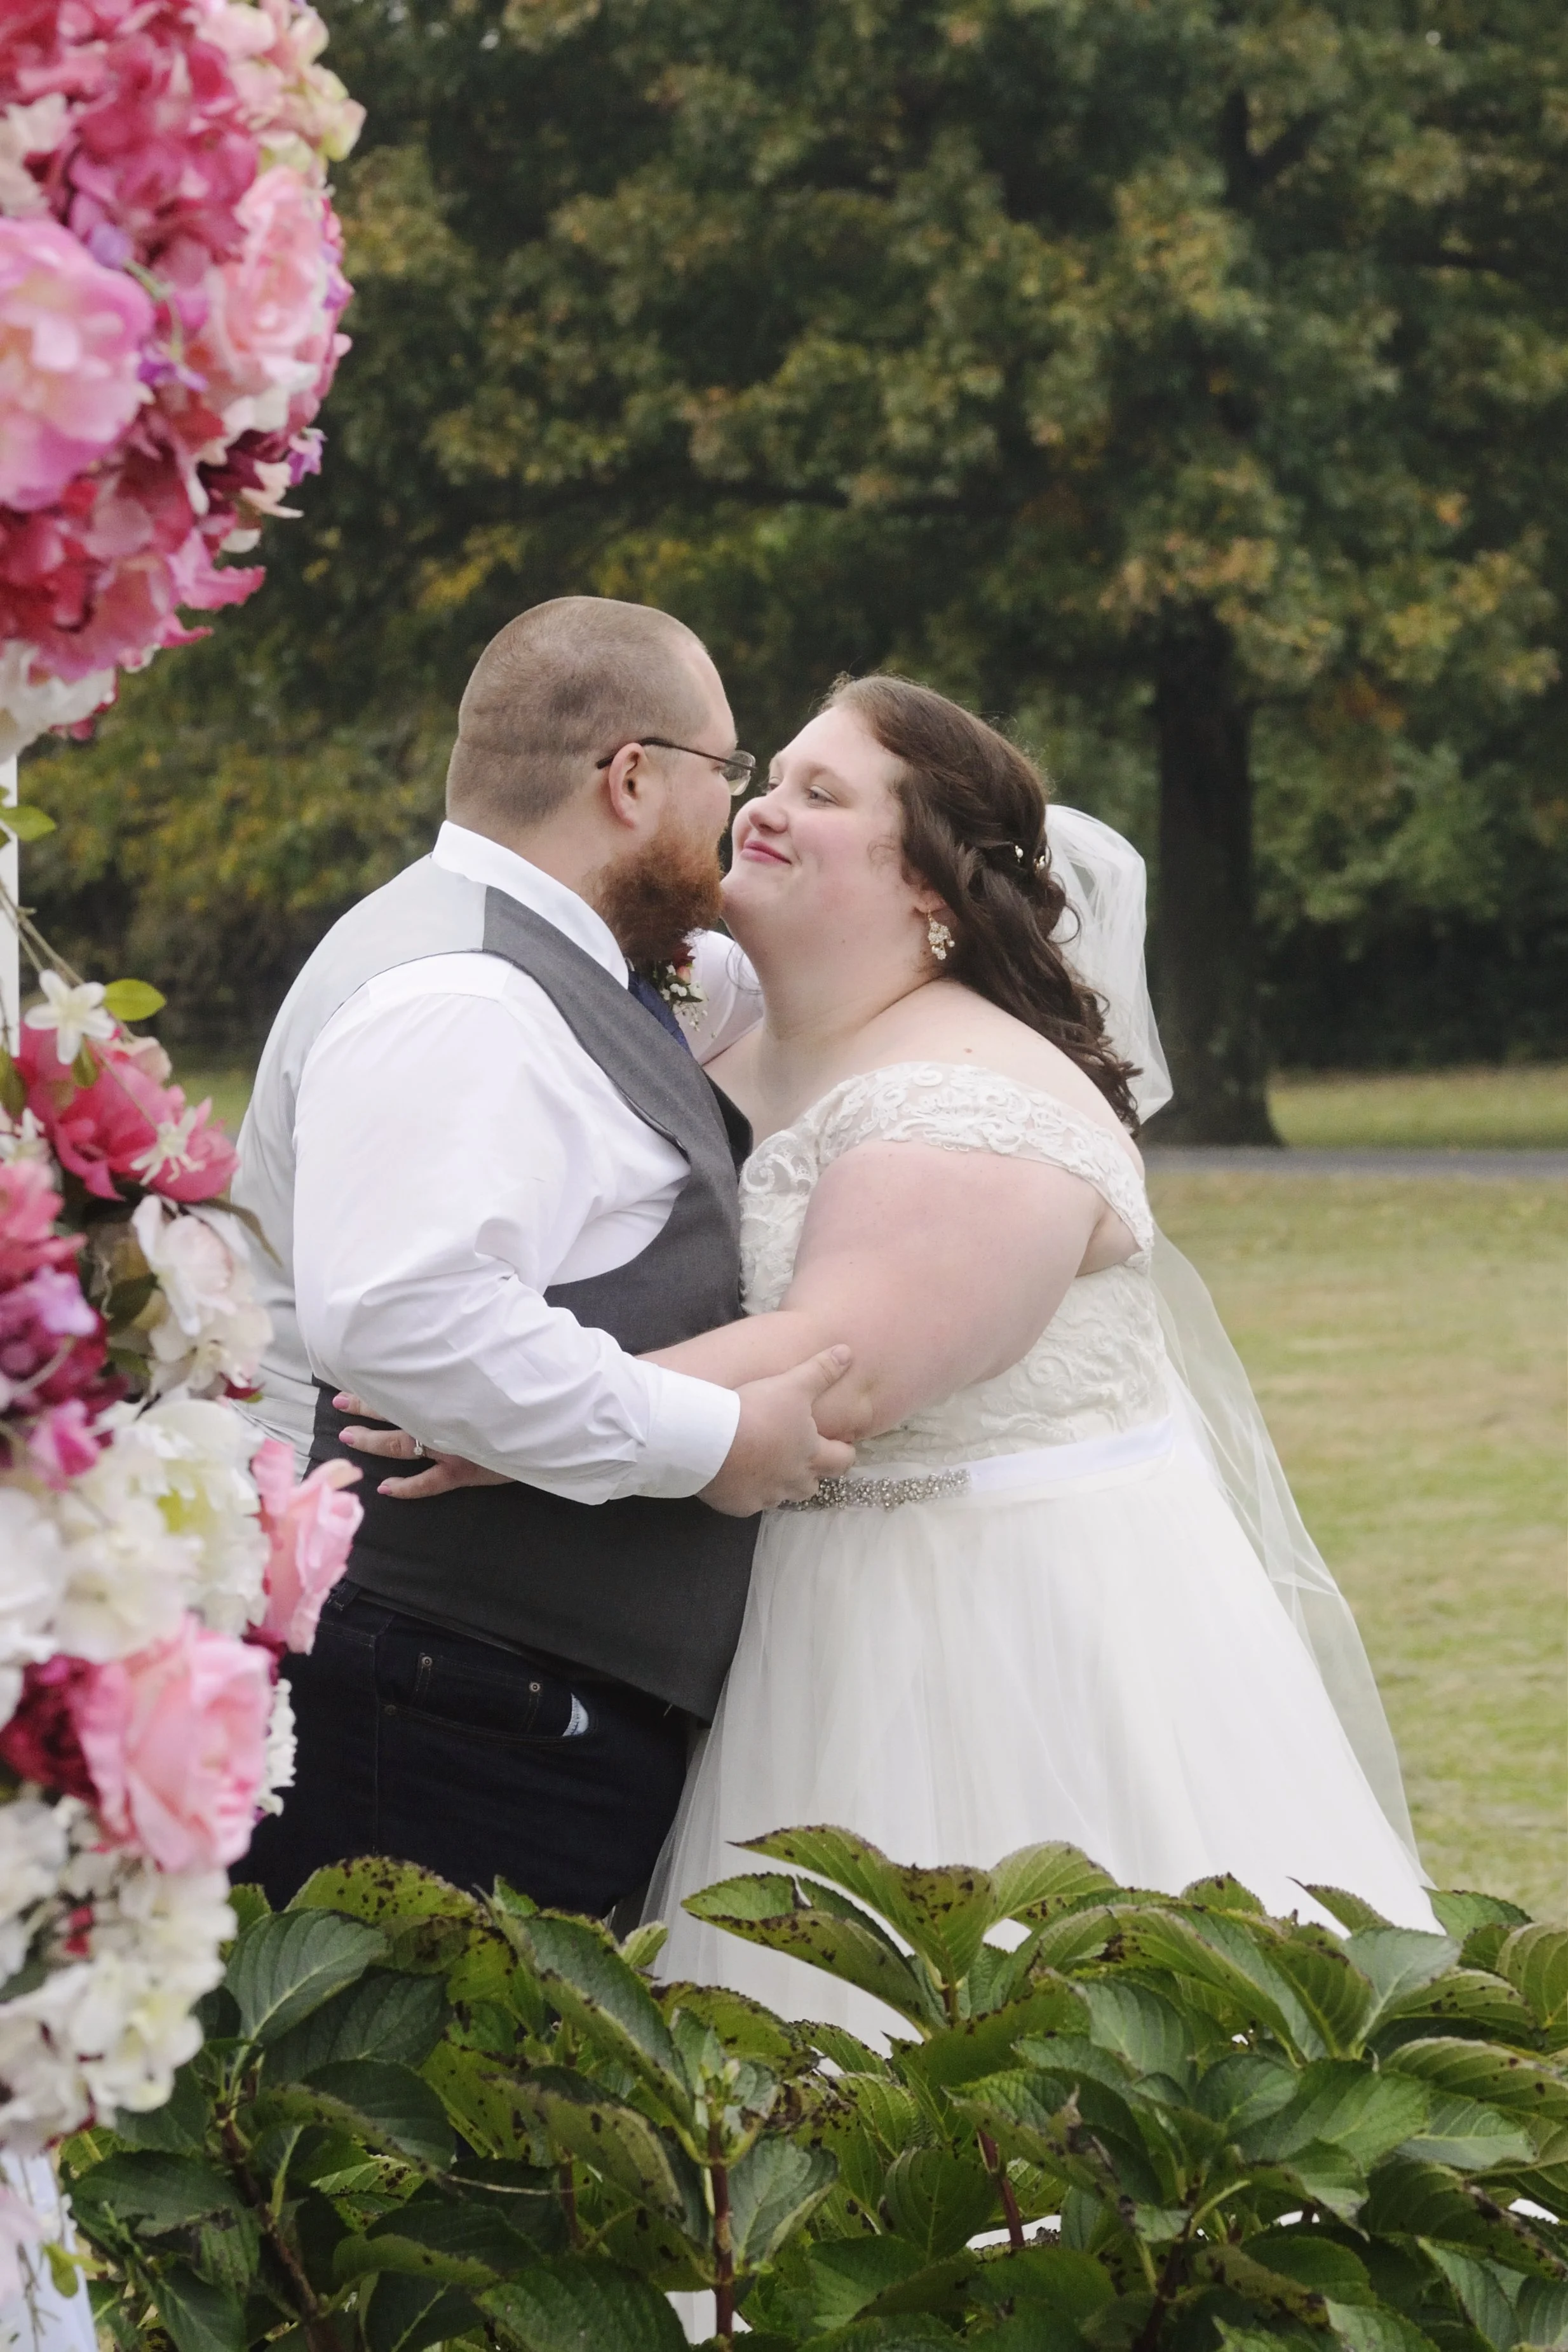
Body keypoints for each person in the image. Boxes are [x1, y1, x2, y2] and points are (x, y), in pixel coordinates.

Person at [351, 672, 1438, 2044]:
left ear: (930, 886)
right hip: (789, 1605)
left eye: (824, 791)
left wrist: (514, 1416)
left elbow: (838, 1362)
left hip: (984, 1631)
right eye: (771, 776)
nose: (765, 809)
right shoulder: (734, 1037)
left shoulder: (972, 1095)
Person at [236, 597, 853, 1920]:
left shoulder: (569, 957)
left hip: (489, 1695)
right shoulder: (461, 998)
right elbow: (408, 1319)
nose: (735, 814)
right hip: (446, 1709)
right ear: (632, 779)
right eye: (727, 774)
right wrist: (711, 1440)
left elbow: (731, 997)